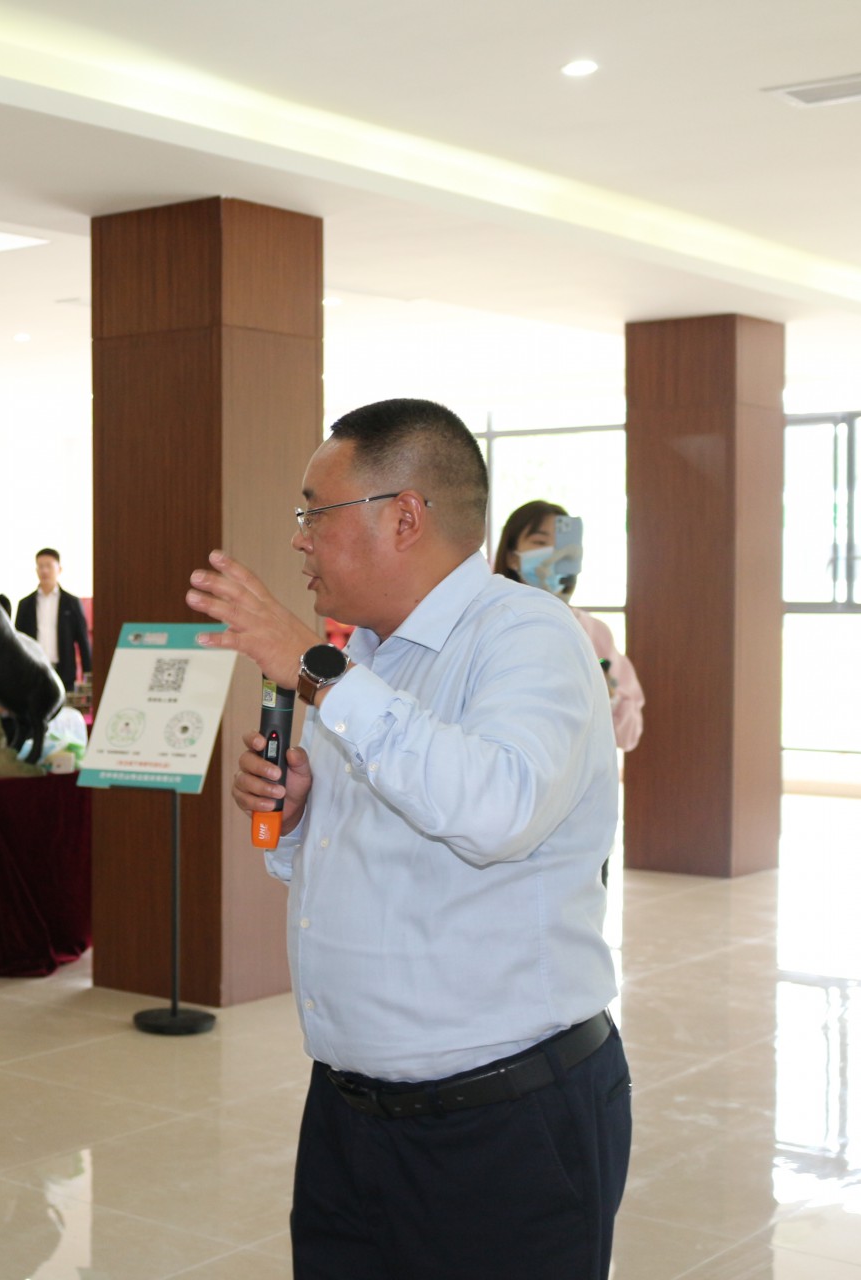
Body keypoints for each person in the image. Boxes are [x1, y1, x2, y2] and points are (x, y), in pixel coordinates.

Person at [190, 397, 628, 1278]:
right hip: (350, 1117)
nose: (299, 541)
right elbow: (368, 854)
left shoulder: (526, 634)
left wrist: (315, 667)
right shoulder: (371, 658)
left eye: (314, 512)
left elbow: (496, 811)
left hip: (502, 1125)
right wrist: (300, 817)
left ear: (403, 516)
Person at [495, 500, 645, 753]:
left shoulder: (593, 632)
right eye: (540, 542)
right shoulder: (490, 623)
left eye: (563, 545)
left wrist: (609, 697)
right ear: (512, 557)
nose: (554, 554)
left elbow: (628, 735)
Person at [15, 548, 92, 693]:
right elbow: (18, 641)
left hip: (64, 672)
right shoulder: (25, 604)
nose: (44, 570)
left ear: (59, 569)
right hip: (33, 671)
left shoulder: (71, 602)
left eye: (49, 566)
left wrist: (88, 675)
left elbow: (83, 640)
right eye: (40, 566)